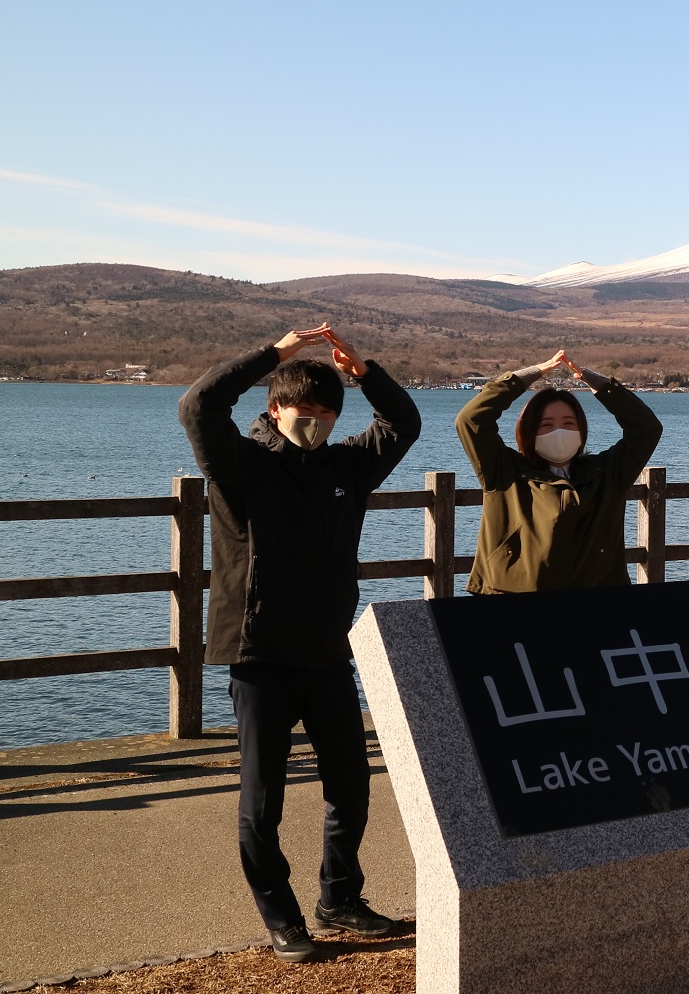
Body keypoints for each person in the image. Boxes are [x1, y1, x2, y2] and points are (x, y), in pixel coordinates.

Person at [177, 323, 421, 963]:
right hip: (258, 657)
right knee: (264, 799)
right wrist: (274, 355)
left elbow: (404, 424)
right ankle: (281, 917)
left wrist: (364, 372)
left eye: (325, 414)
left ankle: (339, 898)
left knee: (351, 784)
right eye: (302, 411)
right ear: (274, 409)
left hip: (327, 655)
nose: (313, 423)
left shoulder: (346, 467)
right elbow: (197, 405)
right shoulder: (241, 466)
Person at [456, 349, 662, 592]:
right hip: (509, 603)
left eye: (568, 424)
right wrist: (526, 377)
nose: (559, 432)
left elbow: (646, 429)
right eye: (546, 425)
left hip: (598, 608)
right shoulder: (504, 470)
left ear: (581, 430)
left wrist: (598, 384)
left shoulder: (607, 473)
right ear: (529, 431)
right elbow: (471, 420)